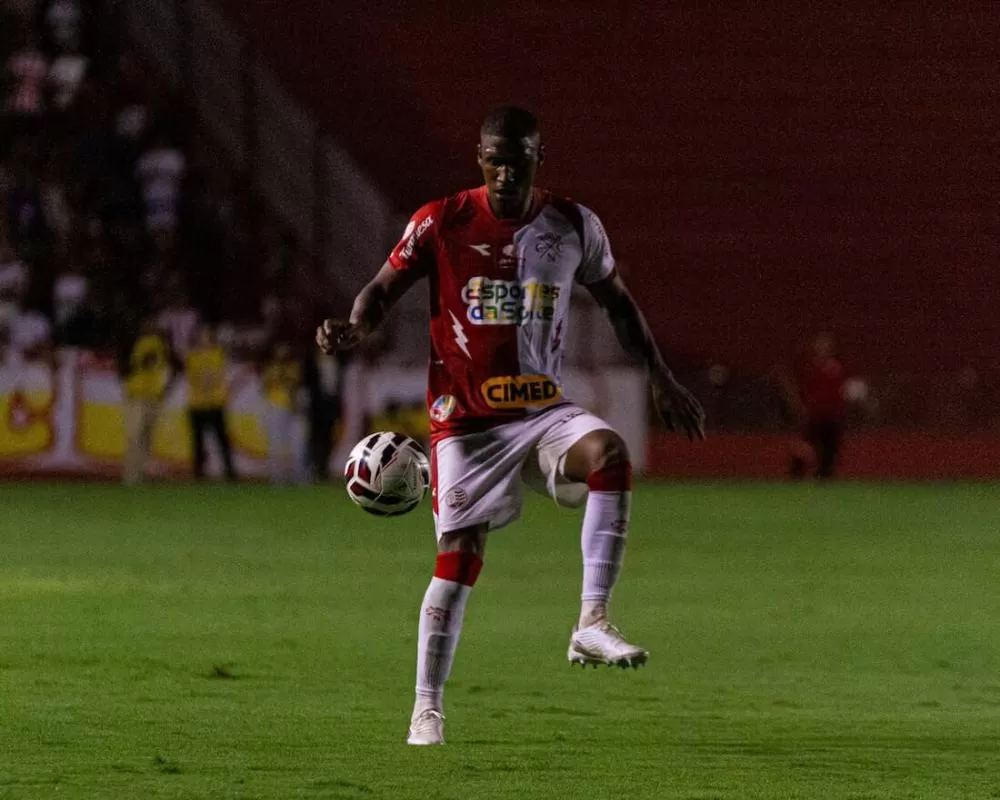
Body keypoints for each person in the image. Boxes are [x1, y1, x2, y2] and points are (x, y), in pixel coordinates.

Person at [316, 106, 705, 746]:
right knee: (460, 559)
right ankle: (426, 708)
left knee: (609, 452)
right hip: (465, 426)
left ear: (537, 159)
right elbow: (383, 287)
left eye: (517, 160)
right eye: (494, 160)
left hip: (540, 410)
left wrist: (660, 376)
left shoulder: (574, 225)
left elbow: (620, 306)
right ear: (479, 158)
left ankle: (591, 621)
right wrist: (355, 327)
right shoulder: (440, 221)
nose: (504, 172)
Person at [781, 332, 861, 480]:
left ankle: (824, 478)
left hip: (833, 416)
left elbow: (848, 388)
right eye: (820, 345)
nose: (823, 348)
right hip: (814, 415)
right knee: (804, 447)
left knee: (829, 452)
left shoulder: (840, 367)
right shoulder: (809, 366)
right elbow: (797, 386)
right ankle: (795, 477)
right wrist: (799, 405)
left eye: (826, 346)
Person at [120, 317, 174, 485]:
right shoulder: (151, 345)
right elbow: (146, 362)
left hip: (148, 394)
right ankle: (132, 475)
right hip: (140, 394)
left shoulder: (158, 347)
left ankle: (138, 474)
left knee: (143, 437)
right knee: (138, 436)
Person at [185, 323, 237, 481]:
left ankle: (230, 473)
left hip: (215, 403)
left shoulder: (218, 354)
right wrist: (206, 378)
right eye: (202, 335)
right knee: (198, 441)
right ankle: (198, 474)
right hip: (197, 404)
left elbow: (218, 375)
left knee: (222, 439)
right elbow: (195, 377)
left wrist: (209, 378)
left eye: (207, 335)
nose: (205, 339)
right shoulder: (192, 356)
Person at [261, 342, 306, 484]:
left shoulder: (294, 367)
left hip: (293, 408)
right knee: (275, 443)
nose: (283, 353)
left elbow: (295, 384)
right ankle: (276, 476)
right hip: (275, 407)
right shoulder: (270, 368)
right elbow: (265, 385)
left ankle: (298, 476)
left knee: (296, 444)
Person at [302, 347, 346, 482]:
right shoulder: (311, 361)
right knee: (314, 438)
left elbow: (338, 385)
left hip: (331, 405)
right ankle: (311, 469)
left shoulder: (337, 361)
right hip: (316, 406)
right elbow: (307, 383)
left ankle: (324, 469)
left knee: (328, 439)